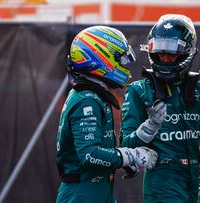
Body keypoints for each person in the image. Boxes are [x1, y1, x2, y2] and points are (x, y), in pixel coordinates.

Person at [120, 14, 200, 203]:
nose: (164, 59)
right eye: (160, 52)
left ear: (187, 51)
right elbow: (125, 145)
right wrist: (149, 127)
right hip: (161, 182)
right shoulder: (139, 90)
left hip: (192, 179)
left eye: (171, 53)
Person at [55, 25, 158, 203]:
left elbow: (95, 148)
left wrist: (122, 161)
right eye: (121, 59)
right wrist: (129, 156)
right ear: (101, 57)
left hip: (97, 190)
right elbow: (89, 155)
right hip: (83, 194)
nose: (125, 65)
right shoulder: (88, 100)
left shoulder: (92, 95)